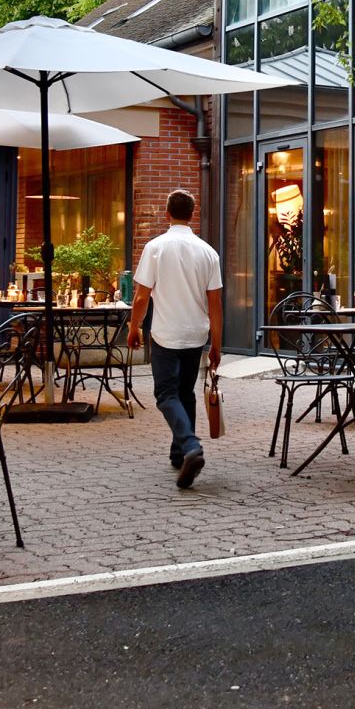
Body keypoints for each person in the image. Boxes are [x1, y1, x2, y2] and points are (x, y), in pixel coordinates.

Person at [126, 189, 223, 489]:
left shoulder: (155, 247)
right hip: (196, 334)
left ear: (166, 214)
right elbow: (215, 304)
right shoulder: (208, 252)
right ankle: (179, 453)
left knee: (166, 394)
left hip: (166, 334)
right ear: (192, 215)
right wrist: (217, 344)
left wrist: (133, 328)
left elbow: (142, 295)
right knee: (186, 393)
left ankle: (191, 446)